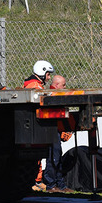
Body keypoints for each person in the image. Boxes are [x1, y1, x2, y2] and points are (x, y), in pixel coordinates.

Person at [25, 60, 54, 191]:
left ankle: (36, 180)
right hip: (34, 122)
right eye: (48, 74)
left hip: (35, 122)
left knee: (38, 154)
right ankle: (34, 181)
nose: (49, 77)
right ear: (42, 72)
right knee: (35, 154)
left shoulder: (36, 84)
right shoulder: (34, 85)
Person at [44, 74, 74, 194]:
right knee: (54, 156)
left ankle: (59, 185)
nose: (65, 86)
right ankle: (51, 184)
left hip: (56, 129)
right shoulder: (52, 95)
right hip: (51, 129)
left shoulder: (58, 95)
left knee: (57, 155)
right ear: (56, 85)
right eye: (63, 84)